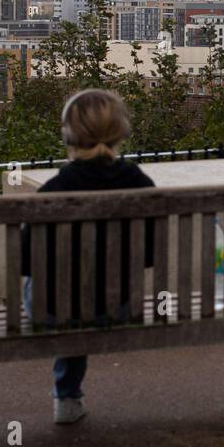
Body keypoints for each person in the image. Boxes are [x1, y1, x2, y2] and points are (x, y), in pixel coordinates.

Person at [22, 89, 154, 424]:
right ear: (120, 131)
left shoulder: (53, 191)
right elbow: (148, 255)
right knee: (81, 292)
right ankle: (68, 396)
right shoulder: (139, 184)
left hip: (52, 310)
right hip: (119, 306)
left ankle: (66, 397)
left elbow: (26, 260)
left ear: (69, 134)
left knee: (61, 291)